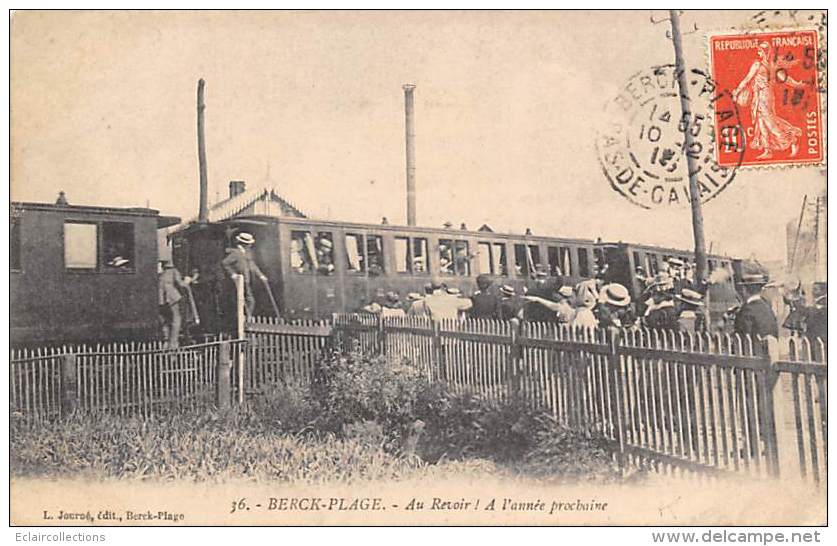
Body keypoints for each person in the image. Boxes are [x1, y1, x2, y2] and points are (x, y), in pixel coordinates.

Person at [733, 41, 806, 160]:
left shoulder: (758, 65)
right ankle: (768, 150)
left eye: (760, 51)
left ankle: (792, 139)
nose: (758, 53)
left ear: (763, 52)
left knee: (769, 122)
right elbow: (785, 79)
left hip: (763, 95)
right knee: (761, 121)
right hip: (762, 95)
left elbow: (747, 79)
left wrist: (736, 91)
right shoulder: (773, 65)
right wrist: (796, 84)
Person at [222, 232, 268, 317]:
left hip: (246, 280)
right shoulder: (235, 253)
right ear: (244, 244)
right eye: (248, 244)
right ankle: (245, 318)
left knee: (248, 300)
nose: (250, 246)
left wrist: (261, 275)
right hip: (239, 281)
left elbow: (252, 265)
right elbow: (225, 263)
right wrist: (233, 274)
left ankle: (247, 317)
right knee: (247, 300)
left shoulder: (247, 253)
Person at [158, 259, 192, 348]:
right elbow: (181, 284)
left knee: (166, 321)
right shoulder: (173, 271)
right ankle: (174, 343)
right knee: (177, 319)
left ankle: (166, 342)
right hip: (173, 298)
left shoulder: (160, 274)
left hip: (161, 299)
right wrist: (188, 281)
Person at [733, 273, 779, 338]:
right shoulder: (768, 308)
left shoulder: (746, 310)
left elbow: (742, 336)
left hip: (753, 347)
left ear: (745, 290)